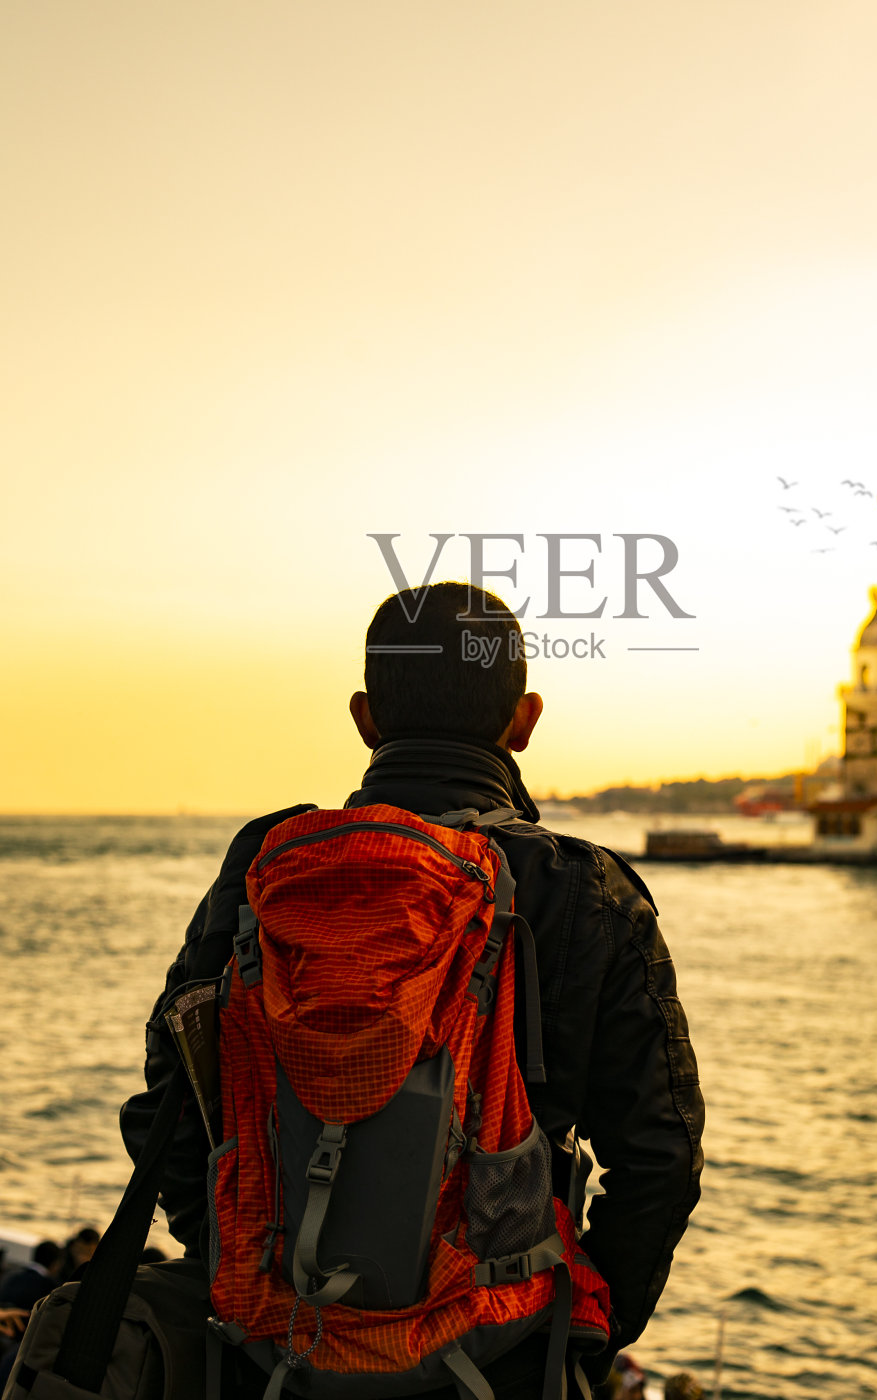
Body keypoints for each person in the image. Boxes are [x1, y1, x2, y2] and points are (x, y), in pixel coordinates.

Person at [120, 582, 704, 1396]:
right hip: (500, 1354)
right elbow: (660, 1159)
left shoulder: (266, 865)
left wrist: (242, 1270)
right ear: (524, 720)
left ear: (365, 719)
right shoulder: (582, 890)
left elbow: (170, 1102)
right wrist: (578, 1339)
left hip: (276, 1350)